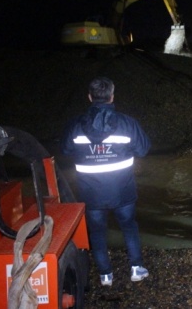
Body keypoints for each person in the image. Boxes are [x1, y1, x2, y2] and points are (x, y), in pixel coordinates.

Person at [60, 76, 151, 287]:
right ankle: (136, 268)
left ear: (90, 97)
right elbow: (144, 149)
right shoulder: (127, 123)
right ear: (112, 96)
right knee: (129, 227)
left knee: (97, 231)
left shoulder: (74, 125)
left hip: (90, 193)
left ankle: (105, 275)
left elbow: (65, 150)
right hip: (123, 191)